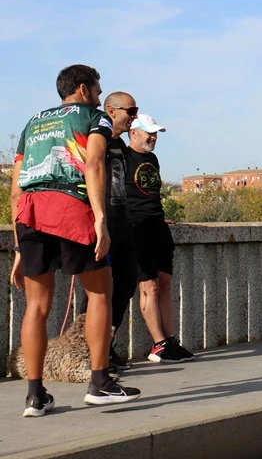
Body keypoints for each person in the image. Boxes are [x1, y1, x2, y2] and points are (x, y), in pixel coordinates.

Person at [8, 65, 141, 417]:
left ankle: (35, 396)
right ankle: (100, 382)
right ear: (83, 89)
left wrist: (19, 245)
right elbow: (94, 163)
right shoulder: (92, 117)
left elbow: (16, 185)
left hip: (30, 214)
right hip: (70, 208)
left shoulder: (33, 123)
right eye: (98, 91)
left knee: (36, 307)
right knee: (100, 291)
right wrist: (100, 219)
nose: (99, 97)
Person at [126, 114, 193, 363]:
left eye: (155, 133)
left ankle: (171, 340)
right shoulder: (121, 157)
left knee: (164, 283)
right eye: (148, 132)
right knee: (149, 286)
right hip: (135, 227)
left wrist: (159, 218)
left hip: (156, 225)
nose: (153, 137)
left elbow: (150, 194)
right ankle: (158, 345)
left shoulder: (152, 158)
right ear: (133, 133)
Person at [102, 92, 141, 371]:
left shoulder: (121, 146)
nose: (134, 116)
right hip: (102, 225)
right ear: (112, 110)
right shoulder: (98, 139)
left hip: (124, 223)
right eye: (131, 110)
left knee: (126, 285)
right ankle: (90, 351)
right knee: (99, 291)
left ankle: (107, 344)